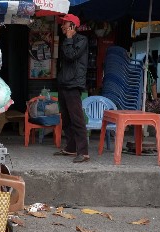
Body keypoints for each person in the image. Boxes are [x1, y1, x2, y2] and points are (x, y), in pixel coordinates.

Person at [53, 14, 90, 163]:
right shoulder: (67, 41)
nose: (62, 26)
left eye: (65, 24)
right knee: (66, 119)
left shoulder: (82, 40)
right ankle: (71, 147)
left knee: (77, 119)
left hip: (74, 84)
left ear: (72, 26)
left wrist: (68, 38)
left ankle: (84, 152)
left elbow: (70, 56)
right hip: (64, 83)